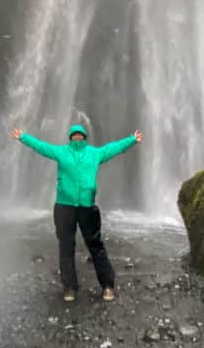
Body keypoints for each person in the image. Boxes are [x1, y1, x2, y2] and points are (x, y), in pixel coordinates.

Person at [11, 123, 143, 302]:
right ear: (70, 137)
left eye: (80, 134)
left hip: (87, 206)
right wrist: (23, 137)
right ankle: (69, 287)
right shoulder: (61, 152)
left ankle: (107, 285)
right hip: (64, 206)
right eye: (75, 135)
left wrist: (132, 140)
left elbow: (113, 148)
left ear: (85, 137)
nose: (78, 137)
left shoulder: (95, 153)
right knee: (66, 246)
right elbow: (41, 147)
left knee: (95, 245)